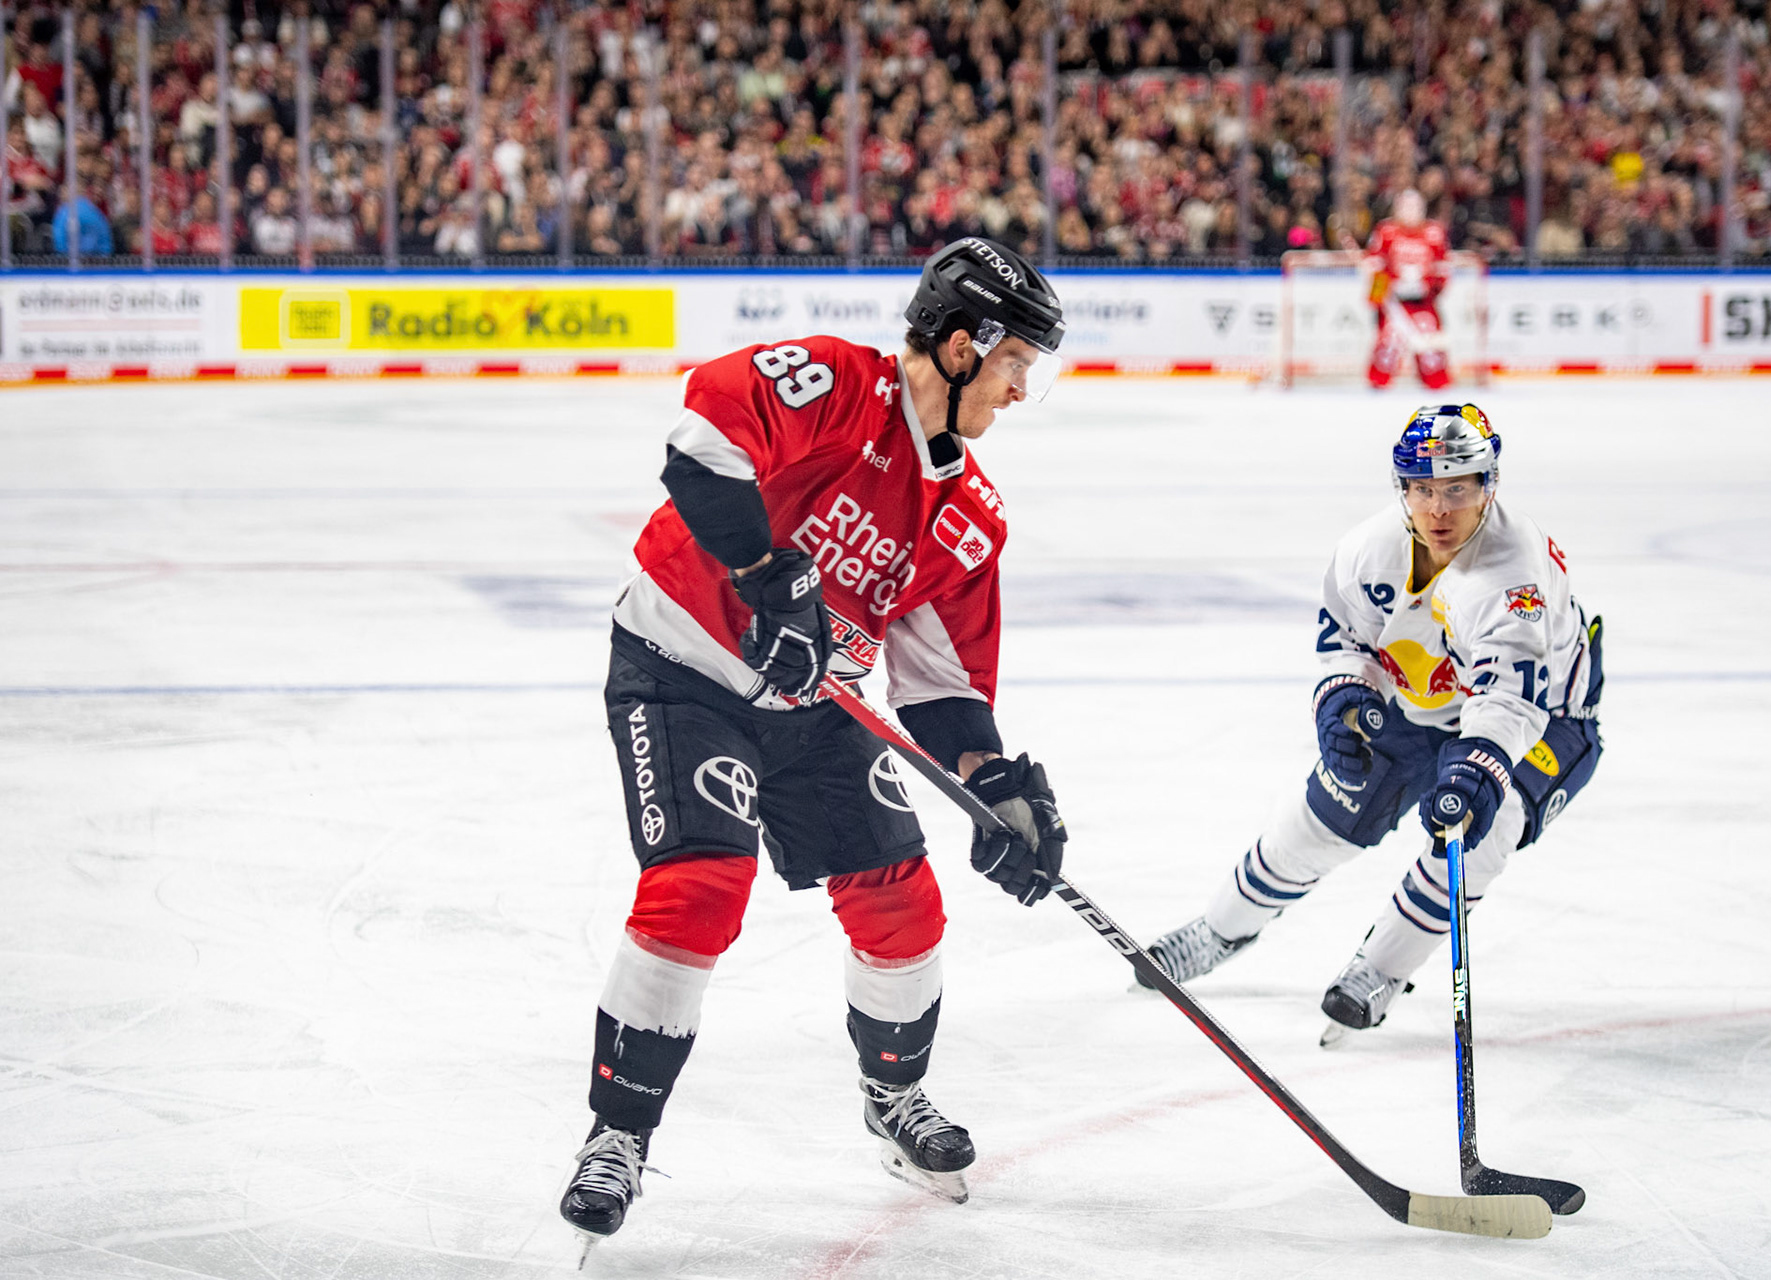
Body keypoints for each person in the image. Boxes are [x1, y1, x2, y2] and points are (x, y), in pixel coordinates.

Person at [559, 237, 1073, 1254]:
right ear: (962, 347)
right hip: (680, 667)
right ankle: (618, 1133)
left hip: (815, 705)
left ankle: (895, 1097)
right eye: (1016, 362)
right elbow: (700, 447)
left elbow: (941, 684)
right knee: (699, 887)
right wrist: (764, 569)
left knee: (903, 902)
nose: (1021, 390)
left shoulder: (967, 515)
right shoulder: (837, 385)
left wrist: (995, 785)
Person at [1141, 404, 1603, 1046]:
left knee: (1483, 830)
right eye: (1421, 489)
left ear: (1488, 485)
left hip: (1547, 715)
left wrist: (1478, 767)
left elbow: (1508, 700)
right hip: (1422, 701)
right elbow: (1347, 641)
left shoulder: (1514, 577)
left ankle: (1380, 969)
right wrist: (1344, 700)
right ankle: (1219, 930)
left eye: (1456, 489)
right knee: (1325, 817)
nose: (1438, 510)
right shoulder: (1367, 550)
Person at [1364, 189, 1453, 389]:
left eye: (1414, 207)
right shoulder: (1386, 231)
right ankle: (1379, 381)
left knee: (1429, 339)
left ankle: (1436, 381)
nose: (1410, 211)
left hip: (1423, 302)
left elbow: (1442, 267)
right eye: (1405, 207)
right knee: (1389, 339)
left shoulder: (1434, 233)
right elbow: (1376, 265)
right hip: (1393, 301)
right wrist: (1378, 296)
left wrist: (1430, 286)